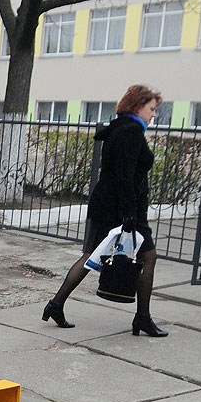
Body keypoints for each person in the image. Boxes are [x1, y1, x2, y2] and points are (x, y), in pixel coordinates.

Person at [42, 84, 168, 337]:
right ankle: (142, 318)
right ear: (137, 106)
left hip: (110, 205)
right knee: (148, 257)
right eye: (151, 109)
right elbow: (124, 176)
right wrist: (130, 215)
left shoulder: (121, 128)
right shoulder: (130, 132)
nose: (154, 115)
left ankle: (56, 305)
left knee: (92, 255)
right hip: (122, 209)